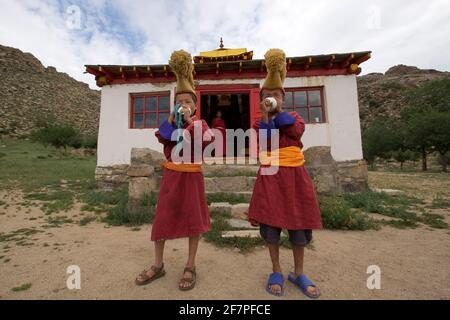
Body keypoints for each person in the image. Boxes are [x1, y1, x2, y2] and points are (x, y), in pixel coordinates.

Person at [135, 49, 214, 291]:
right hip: (171, 178)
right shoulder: (169, 125)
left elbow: (208, 140)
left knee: (193, 220)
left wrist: (190, 123)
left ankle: (190, 265)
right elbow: (164, 137)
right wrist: (173, 121)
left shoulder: (200, 124)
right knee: (162, 219)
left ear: (196, 107)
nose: (183, 105)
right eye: (179, 102)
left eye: (188, 101)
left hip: (192, 179)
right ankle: (158, 265)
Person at [248, 48, 323, 298]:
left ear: (283, 97)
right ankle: (276, 270)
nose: (271, 98)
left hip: (295, 178)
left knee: (299, 226)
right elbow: (266, 139)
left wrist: (278, 112)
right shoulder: (260, 123)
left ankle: (299, 272)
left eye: (275, 95)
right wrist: (268, 116)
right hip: (271, 177)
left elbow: (295, 132)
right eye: (266, 96)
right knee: (271, 226)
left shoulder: (294, 117)